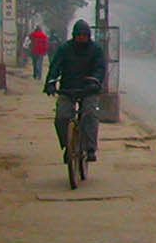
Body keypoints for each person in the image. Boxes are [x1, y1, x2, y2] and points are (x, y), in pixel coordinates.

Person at [44, 20, 108, 162]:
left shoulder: (95, 50)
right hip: (68, 88)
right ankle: (68, 145)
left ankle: (90, 148)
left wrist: (95, 81)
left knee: (90, 114)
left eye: (84, 35)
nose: (81, 38)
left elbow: (100, 68)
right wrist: (50, 82)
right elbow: (55, 66)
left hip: (89, 89)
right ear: (73, 36)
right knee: (61, 117)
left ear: (88, 36)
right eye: (78, 35)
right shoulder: (64, 49)